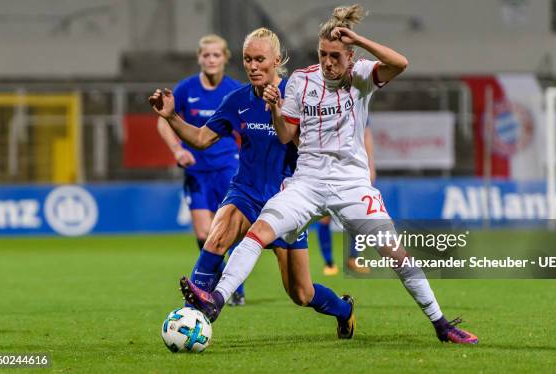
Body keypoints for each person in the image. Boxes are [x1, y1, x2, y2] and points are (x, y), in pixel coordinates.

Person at [181, 5, 478, 345]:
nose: (328, 62)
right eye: (323, 54)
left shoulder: (362, 75)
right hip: (306, 182)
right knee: (258, 232)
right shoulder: (301, 81)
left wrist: (360, 40)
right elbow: (284, 135)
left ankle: (441, 324)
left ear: (350, 56)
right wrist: (277, 108)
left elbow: (400, 63)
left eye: (335, 55)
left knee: (394, 252)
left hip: (351, 184)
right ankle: (217, 300)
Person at [149, 27, 355, 339]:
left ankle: (343, 309)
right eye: (248, 59)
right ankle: (191, 315)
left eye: (260, 59)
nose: (253, 66)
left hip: (287, 202)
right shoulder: (238, 100)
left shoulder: (300, 96)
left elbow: (308, 146)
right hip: (246, 192)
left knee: (301, 293)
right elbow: (203, 138)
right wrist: (172, 117)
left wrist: (277, 110)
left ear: (277, 60)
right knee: (217, 235)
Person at [156, 35, 246, 304]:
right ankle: (217, 283)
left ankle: (233, 288)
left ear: (224, 58)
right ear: (199, 58)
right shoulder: (185, 89)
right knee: (203, 234)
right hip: (196, 172)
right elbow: (164, 122)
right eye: (206, 55)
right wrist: (177, 150)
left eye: (216, 55)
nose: (211, 59)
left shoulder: (235, 89)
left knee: (230, 232)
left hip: (228, 167)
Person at [317, 125, 375, 275]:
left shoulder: (356, 104)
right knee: (325, 216)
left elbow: (366, 134)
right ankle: (329, 263)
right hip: (326, 167)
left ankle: (353, 258)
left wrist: (371, 166)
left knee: (357, 215)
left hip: (352, 169)